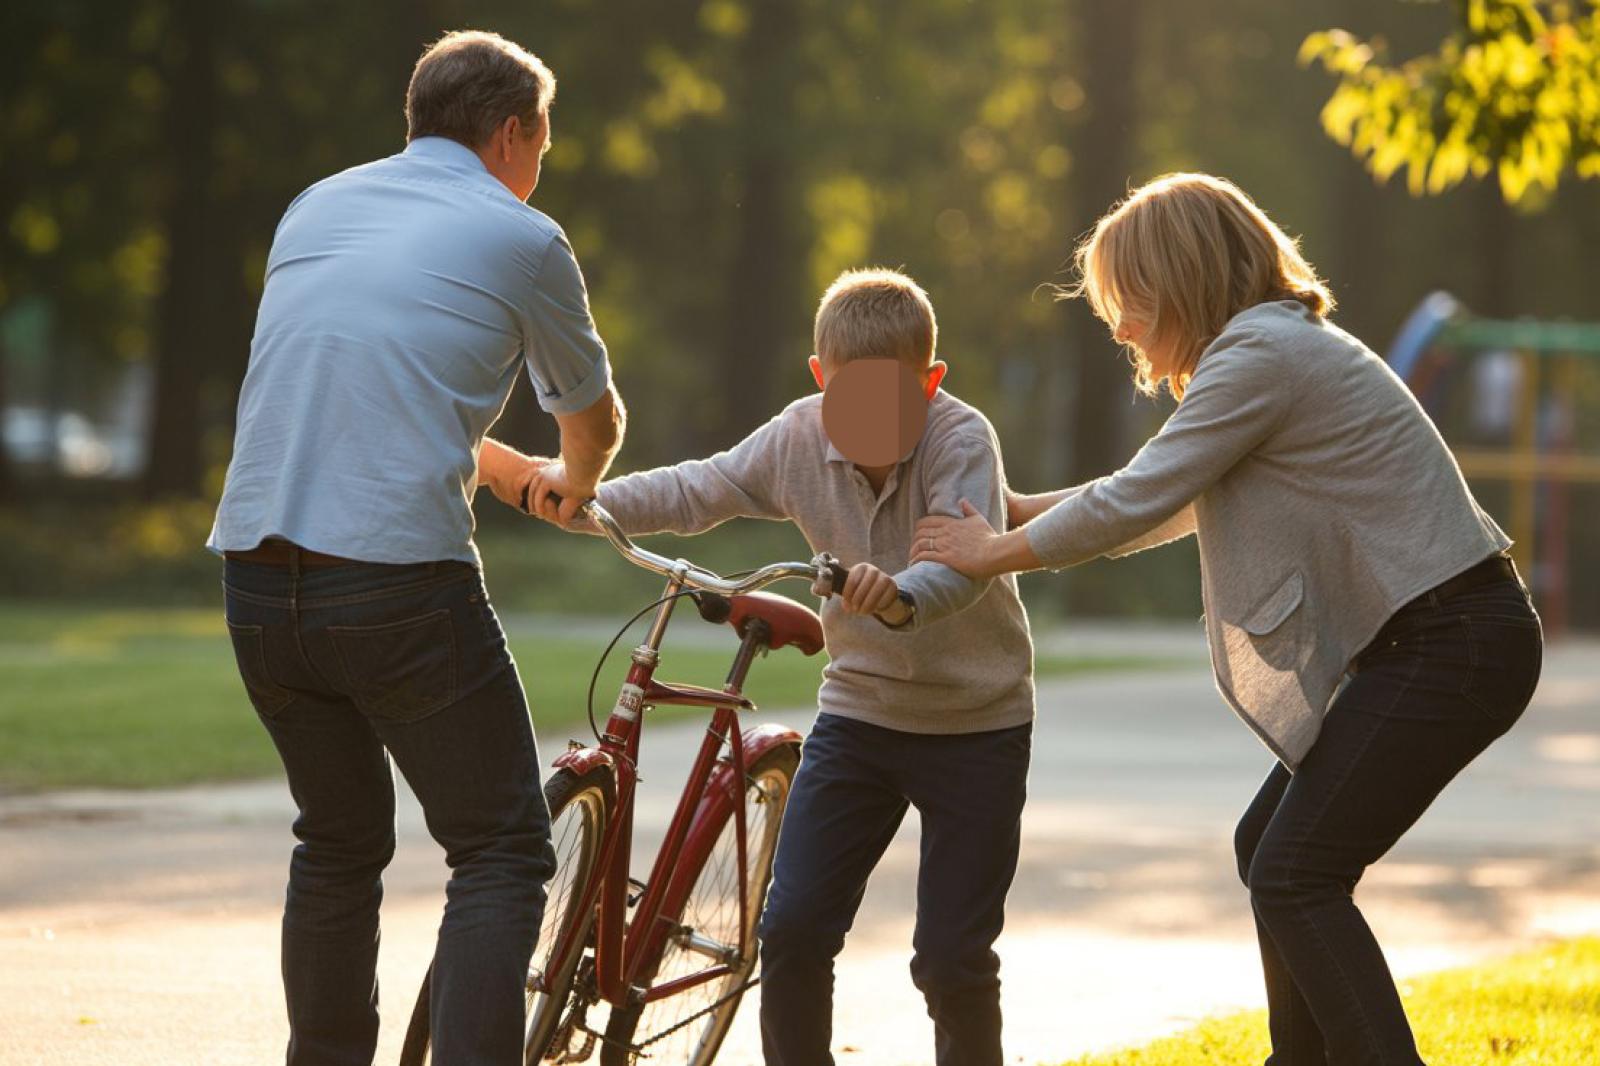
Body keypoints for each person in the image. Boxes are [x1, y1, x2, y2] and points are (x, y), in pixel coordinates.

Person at [912, 173, 1541, 1066]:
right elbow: (1170, 496)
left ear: (1183, 278)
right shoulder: (1270, 348)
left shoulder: (1261, 355)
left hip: (1454, 642)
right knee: (1272, 853)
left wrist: (992, 552)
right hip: (1443, 639)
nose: (1121, 327)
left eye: (1130, 299)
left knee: (1297, 872)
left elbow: (1141, 495)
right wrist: (1017, 514)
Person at [207, 30, 625, 1066]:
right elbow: (594, 419)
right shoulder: (523, 236)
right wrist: (574, 483)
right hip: (396, 586)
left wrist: (497, 467)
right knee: (500, 848)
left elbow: (365, 391)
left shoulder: (317, 206)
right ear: (512, 133)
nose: (539, 165)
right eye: (543, 144)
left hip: (256, 579)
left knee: (337, 841)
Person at [528, 268, 1035, 1066]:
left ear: (930, 382)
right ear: (820, 379)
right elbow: (704, 487)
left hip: (976, 724)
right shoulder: (799, 435)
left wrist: (901, 595)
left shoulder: (961, 439)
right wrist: (590, 502)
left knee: (951, 959)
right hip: (861, 715)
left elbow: (962, 564)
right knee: (792, 931)